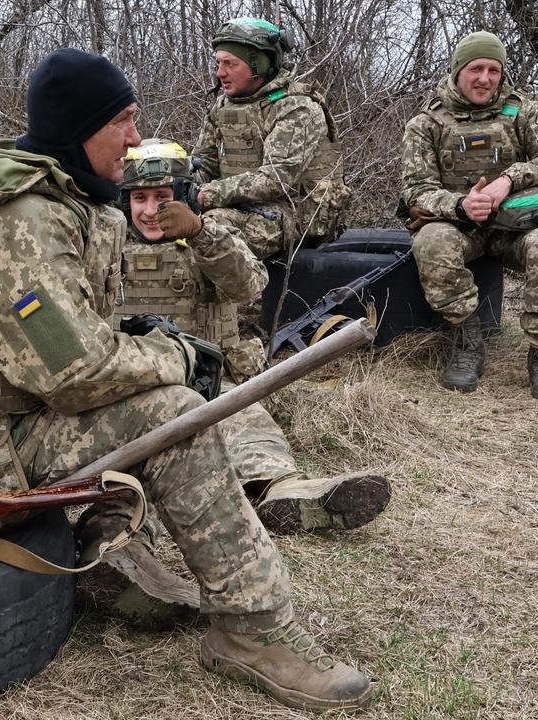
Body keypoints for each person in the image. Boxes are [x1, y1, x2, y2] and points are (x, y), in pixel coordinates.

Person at [0, 48, 374, 711]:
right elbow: (71, 372)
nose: (135, 139)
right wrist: (179, 358)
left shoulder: (38, 196)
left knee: (147, 393)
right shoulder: (16, 219)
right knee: (169, 412)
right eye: (125, 122)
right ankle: (255, 632)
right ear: (81, 126)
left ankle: (111, 540)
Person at [113, 139, 390, 534]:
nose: (151, 209)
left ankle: (286, 492)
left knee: (248, 424)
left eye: (163, 196)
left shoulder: (210, 235)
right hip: (132, 384)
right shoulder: (107, 244)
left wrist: (200, 233)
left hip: (208, 380)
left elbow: (249, 285)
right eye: (139, 197)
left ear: (185, 196)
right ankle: (126, 533)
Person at [400, 31, 538, 403]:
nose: (485, 78)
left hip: (516, 228)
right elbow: (415, 189)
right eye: (476, 68)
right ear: (457, 71)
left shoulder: (523, 111)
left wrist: (509, 180)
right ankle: (468, 341)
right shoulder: (427, 122)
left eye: (494, 70)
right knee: (431, 240)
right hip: (460, 227)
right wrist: (460, 205)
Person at [191, 17, 348, 258]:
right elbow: (205, 163)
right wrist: (180, 188)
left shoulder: (296, 107)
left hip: (292, 214)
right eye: (218, 63)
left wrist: (206, 196)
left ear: (260, 65)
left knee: (209, 231)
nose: (220, 73)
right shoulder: (222, 106)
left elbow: (276, 179)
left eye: (230, 64)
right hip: (238, 205)